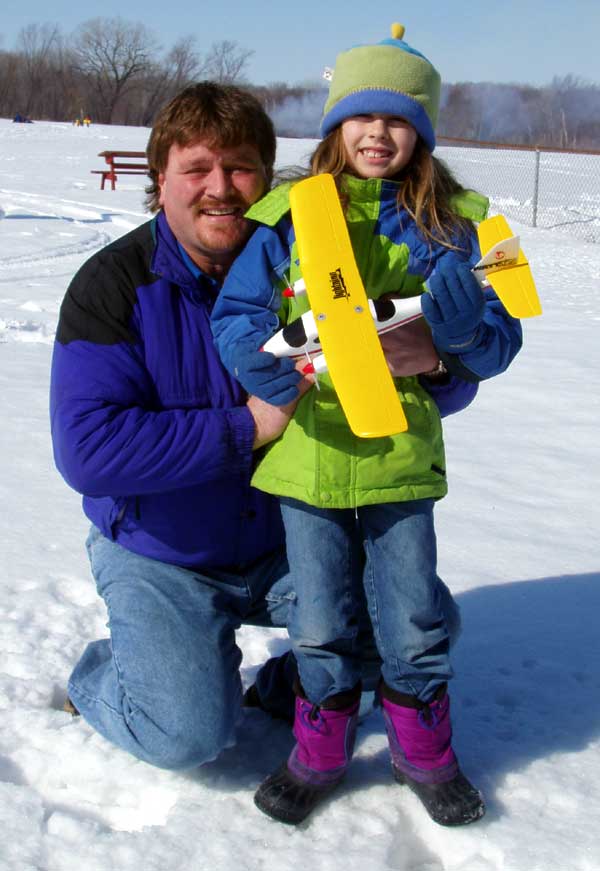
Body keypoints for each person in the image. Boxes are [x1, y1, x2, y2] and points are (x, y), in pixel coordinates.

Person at [50, 81, 477, 776]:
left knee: (425, 626)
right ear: (162, 180)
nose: (221, 188)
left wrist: (434, 364)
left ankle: (289, 686)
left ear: (267, 177)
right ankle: (101, 676)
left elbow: (434, 393)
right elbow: (89, 451)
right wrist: (245, 427)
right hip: (166, 552)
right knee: (185, 735)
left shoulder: (309, 258)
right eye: (196, 169)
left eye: (241, 167)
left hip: (292, 541)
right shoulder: (113, 286)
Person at [211, 26, 522, 827]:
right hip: (309, 455)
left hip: (400, 454)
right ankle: (319, 746)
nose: (377, 134)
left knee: (413, 614)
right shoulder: (287, 216)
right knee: (317, 616)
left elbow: (498, 337)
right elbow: (238, 314)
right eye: (360, 117)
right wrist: (255, 362)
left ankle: (425, 751)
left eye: (397, 118)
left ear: (420, 131)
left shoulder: (453, 223)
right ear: (334, 125)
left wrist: (459, 338)